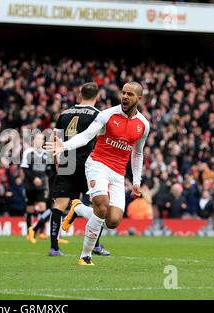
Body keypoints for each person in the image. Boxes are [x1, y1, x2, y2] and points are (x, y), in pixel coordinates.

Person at [46, 81, 150, 266]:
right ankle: (85, 256)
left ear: (139, 99)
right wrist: (65, 145)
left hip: (118, 174)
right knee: (102, 206)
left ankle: (77, 208)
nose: (125, 97)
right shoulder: (107, 115)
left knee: (113, 221)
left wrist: (136, 181)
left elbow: (138, 153)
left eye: (130, 94)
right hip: (97, 165)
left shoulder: (143, 125)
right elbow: (86, 135)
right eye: (123, 93)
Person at [47, 82, 110, 257]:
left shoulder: (64, 113)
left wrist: (56, 162)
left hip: (67, 161)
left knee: (59, 205)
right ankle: (95, 244)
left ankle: (54, 248)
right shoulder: (98, 115)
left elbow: (55, 139)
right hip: (88, 162)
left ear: (80, 95)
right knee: (97, 204)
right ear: (97, 97)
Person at [21, 133, 49, 243]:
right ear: (34, 141)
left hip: (41, 186)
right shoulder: (28, 153)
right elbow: (25, 168)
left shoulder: (46, 154)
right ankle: (29, 232)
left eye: (41, 139)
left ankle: (41, 232)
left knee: (42, 207)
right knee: (30, 209)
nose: (39, 140)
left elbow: (47, 170)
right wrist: (34, 179)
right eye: (38, 138)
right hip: (30, 185)